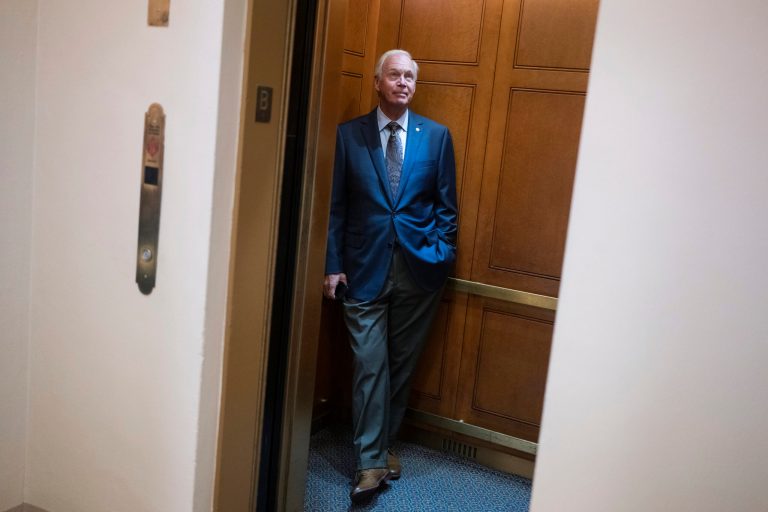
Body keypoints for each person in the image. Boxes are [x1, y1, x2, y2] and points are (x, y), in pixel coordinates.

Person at [323, 48, 458, 503]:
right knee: (369, 364)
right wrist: (332, 265)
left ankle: (381, 448)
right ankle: (370, 464)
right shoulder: (348, 136)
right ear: (378, 82)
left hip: (419, 270)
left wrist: (441, 254)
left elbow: (446, 207)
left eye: (410, 78)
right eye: (395, 75)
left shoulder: (436, 137)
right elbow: (335, 209)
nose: (403, 83)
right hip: (362, 271)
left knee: (399, 367)